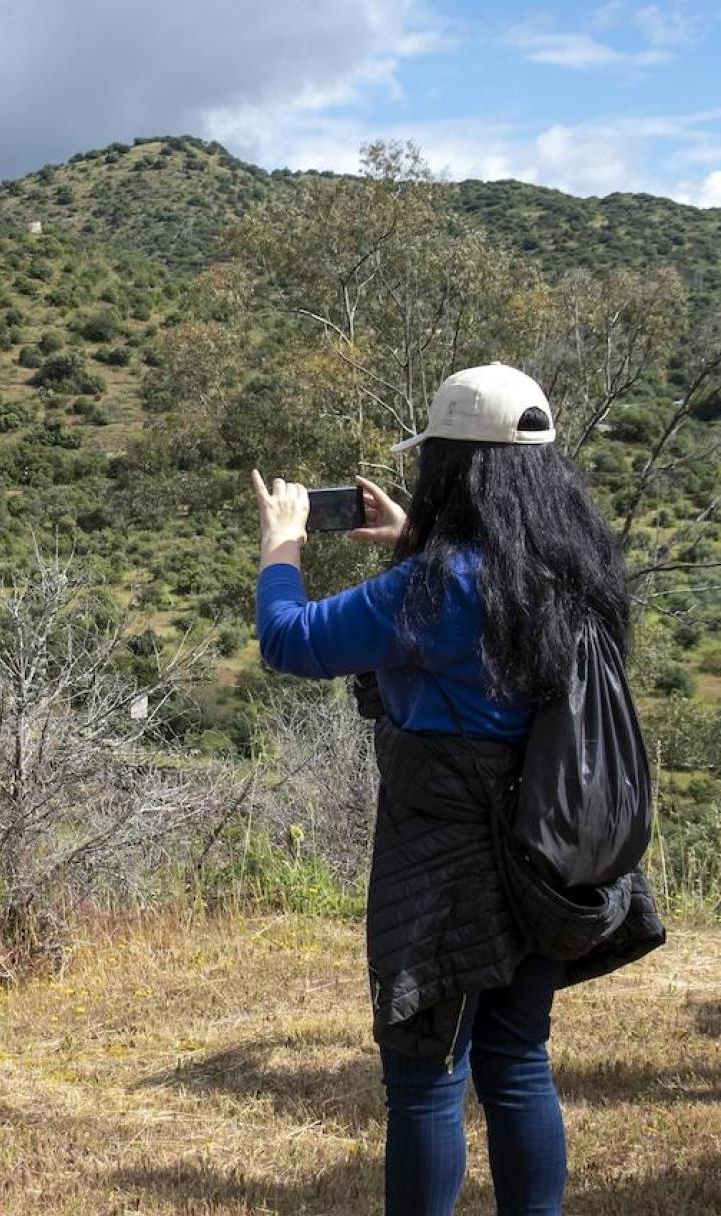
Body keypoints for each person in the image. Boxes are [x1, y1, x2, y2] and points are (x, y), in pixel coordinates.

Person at [248, 363, 665, 1216]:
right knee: (516, 1058)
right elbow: (490, 612)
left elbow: (289, 641)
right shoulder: (576, 571)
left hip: (448, 858)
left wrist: (282, 541)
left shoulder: (436, 588)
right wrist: (411, 543)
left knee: (426, 1077)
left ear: (453, 469)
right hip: (550, 850)